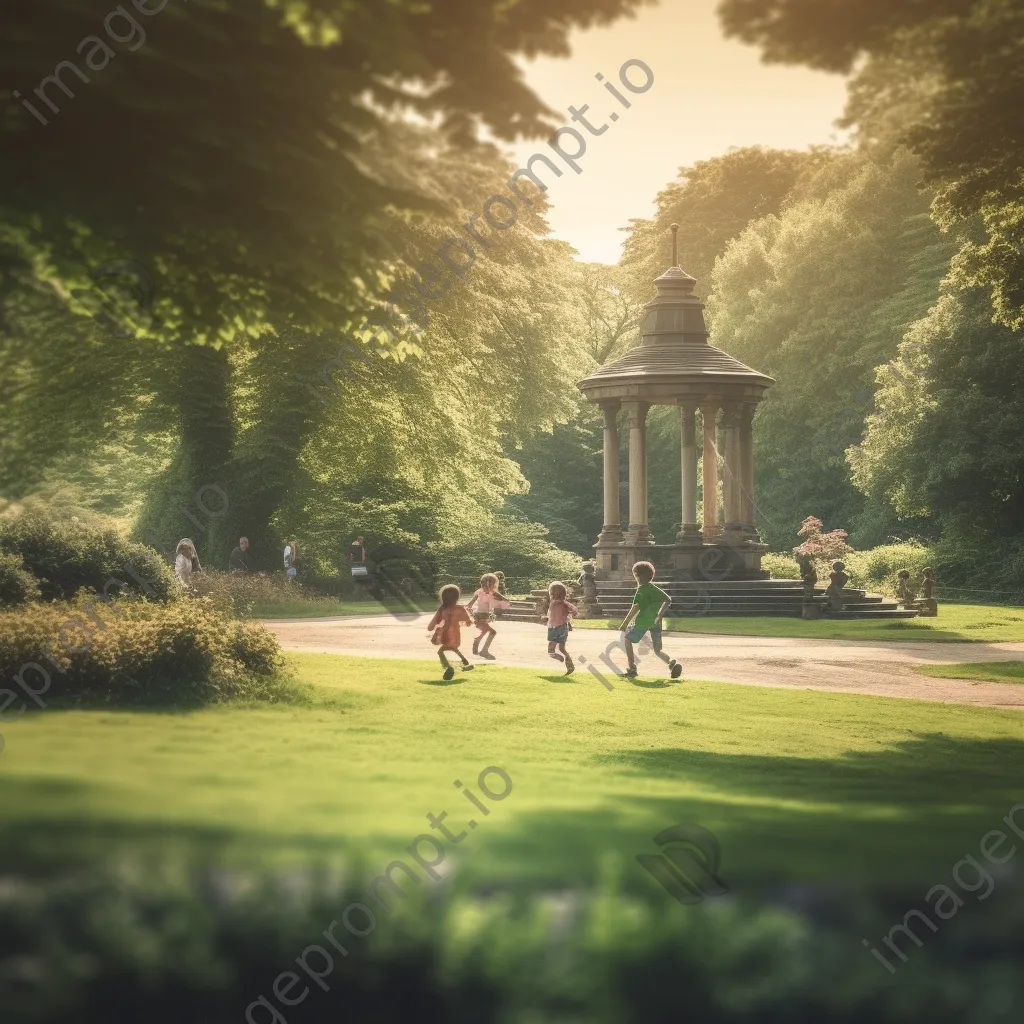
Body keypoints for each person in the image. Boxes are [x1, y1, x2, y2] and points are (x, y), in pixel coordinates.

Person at [618, 561, 682, 680]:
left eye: (635, 574)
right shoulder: (654, 588)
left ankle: (632, 669)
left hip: (642, 622)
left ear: (638, 576)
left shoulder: (641, 590)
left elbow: (635, 608)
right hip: (655, 622)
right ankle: (672, 662)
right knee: (657, 650)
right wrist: (660, 615)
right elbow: (668, 600)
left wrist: (624, 623)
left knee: (627, 639)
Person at [427, 585, 474, 681]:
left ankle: (448, 667)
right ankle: (465, 662)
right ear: (456, 597)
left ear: (443, 597)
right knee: (453, 648)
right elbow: (468, 622)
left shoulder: (442, 608)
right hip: (455, 634)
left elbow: (431, 625)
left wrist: (432, 627)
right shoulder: (459, 608)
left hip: (446, 633)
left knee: (441, 651)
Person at [466, 573, 511, 659]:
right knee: (492, 632)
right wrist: (472, 616)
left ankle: (477, 644)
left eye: (491, 583)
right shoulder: (486, 592)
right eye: (489, 583)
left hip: (481, 615)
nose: (489, 585)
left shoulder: (485, 592)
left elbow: (469, 605)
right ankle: (484, 650)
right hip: (480, 616)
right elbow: (506, 600)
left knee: (485, 631)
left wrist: (472, 615)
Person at [546, 581, 578, 674]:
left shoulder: (560, 604)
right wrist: (568, 618)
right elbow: (575, 611)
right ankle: (570, 665)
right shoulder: (563, 603)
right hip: (561, 627)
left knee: (551, 649)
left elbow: (574, 611)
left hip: (555, 628)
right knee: (561, 648)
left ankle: (560, 658)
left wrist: (568, 617)